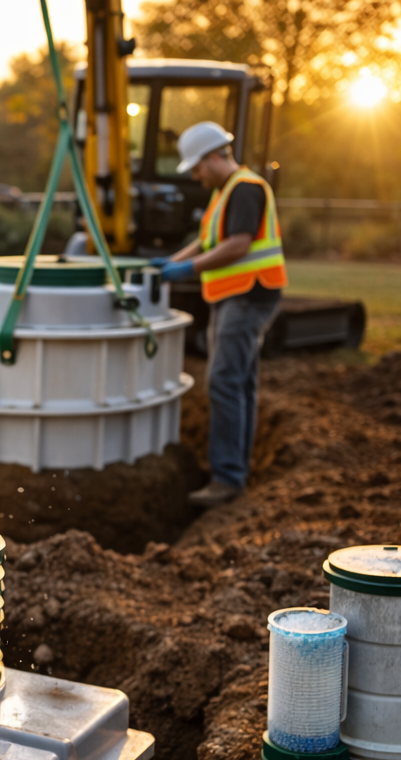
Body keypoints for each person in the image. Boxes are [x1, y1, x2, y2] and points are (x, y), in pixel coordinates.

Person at [153, 121, 287, 508]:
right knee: (238, 383)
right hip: (235, 296)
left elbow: (238, 245)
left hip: (249, 295)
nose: (195, 176)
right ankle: (234, 473)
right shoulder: (227, 192)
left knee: (225, 381)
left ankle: (227, 479)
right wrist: (171, 262)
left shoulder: (245, 188)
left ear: (214, 157)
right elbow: (207, 240)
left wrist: (186, 271)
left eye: (196, 167)